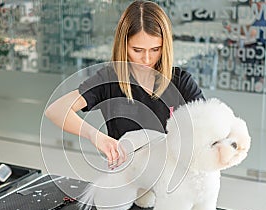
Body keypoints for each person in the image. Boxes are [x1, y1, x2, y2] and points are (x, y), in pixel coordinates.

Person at [45, 0, 204, 169]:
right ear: (124, 45)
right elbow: (55, 110)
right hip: (125, 180)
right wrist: (94, 135)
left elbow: (209, 127)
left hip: (170, 179)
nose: (147, 59)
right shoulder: (108, 79)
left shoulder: (180, 82)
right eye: (137, 50)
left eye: (155, 49)